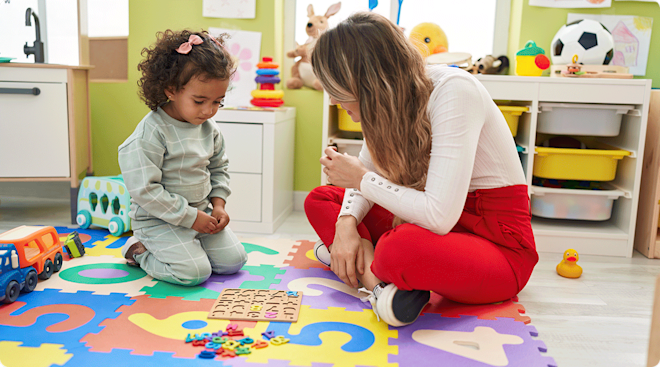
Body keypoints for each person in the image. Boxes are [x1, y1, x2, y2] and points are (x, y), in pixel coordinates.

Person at [305, 13, 538, 327]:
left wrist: (361, 179)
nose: (332, 99)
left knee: (397, 249)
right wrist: (346, 227)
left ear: (367, 80)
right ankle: (378, 287)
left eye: (337, 87)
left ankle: (353, 261)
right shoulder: (387, 102)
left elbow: (439, 216)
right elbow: (368, 176)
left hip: (497, 245)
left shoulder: (454, 91)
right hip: (431, 227)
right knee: (322, 199)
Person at [118, 29, 247, 286]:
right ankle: (140, 251)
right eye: (199, 101)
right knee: (194, 273)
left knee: (235, 261)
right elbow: (146, 192)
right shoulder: (151, 133)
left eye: (217, 102)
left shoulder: (208, 129)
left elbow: (219, 168)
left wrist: (218, 205)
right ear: (171, 90)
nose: (209, 111)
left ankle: (188, 247)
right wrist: (190, 218)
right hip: (159, 222)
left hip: (202, 216)